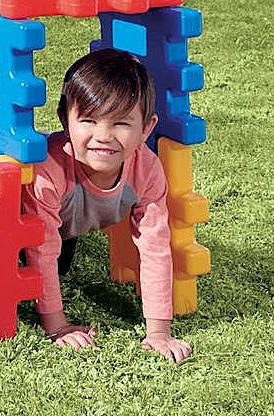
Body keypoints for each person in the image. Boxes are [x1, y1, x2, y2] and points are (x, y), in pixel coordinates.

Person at [21, 48, 193, 363]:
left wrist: (158, 332)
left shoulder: (147, 170)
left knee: (61, 262)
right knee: (26, 269)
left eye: (121, 124)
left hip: (68, 224)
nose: (103, 136)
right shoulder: (47, 170)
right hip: (17, 225)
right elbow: (40, 247)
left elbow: (156, 247)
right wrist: (57, 326)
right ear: (65, 120)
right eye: (88, 120)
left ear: (146, 128)